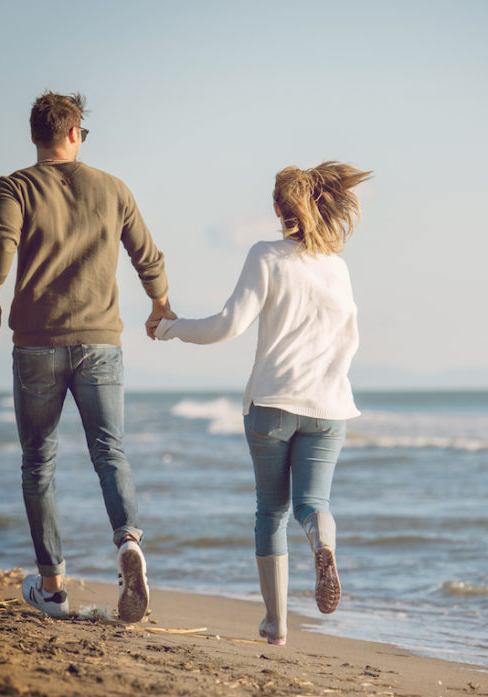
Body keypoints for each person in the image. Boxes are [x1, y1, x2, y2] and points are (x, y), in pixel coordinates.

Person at [0, 91, 174, 623]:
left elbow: (2, 241)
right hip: (101, 343)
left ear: (37, 136)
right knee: (109, 451)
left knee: (39, 462)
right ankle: (129, 544)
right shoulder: (113, 188)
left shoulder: (14, 186)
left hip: (37, 344)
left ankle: (54, 588)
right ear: (72, 133)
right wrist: (160, 305)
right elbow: (146, 255)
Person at [154, 161, 372, 645]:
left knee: (270, 512)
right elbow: (350, 339)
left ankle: (276, 625)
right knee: (313, 503)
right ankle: (325, 546)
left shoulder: (266, 256)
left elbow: (227, 325)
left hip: (272, 403)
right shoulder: (338, 269)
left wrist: (171, 328)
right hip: (329, 406)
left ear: (279, 208)